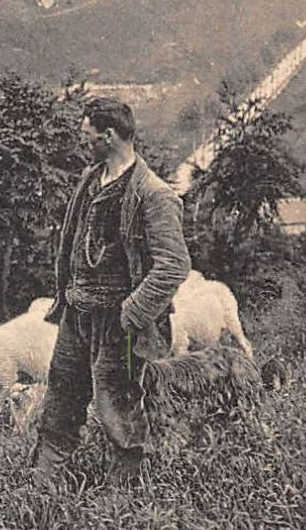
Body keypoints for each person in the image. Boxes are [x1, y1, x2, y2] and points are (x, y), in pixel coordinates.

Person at [32, 96, 191, 482]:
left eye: (88, 137)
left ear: (108, 136)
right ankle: (41, 489)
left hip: (118, 323)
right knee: (61, 401)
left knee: (116, 406)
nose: (83, 143)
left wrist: (130, 313)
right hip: (77, 314)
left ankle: (126, 495)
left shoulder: (153, 194)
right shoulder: (90, 181)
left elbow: (174, 265)